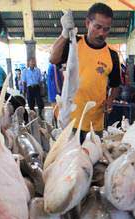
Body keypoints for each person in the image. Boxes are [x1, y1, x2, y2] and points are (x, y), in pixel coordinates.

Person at [49, 3, 122, 137]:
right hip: (69, 120)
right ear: (88, 23)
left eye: (106, 29)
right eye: (98, 27)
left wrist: (110, 100)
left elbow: (115, 85)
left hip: (94, 125)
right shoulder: (74, 43)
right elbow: (53, 58)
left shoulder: (112, 55)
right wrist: (65, 33)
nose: (102, 33)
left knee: (93, 157)